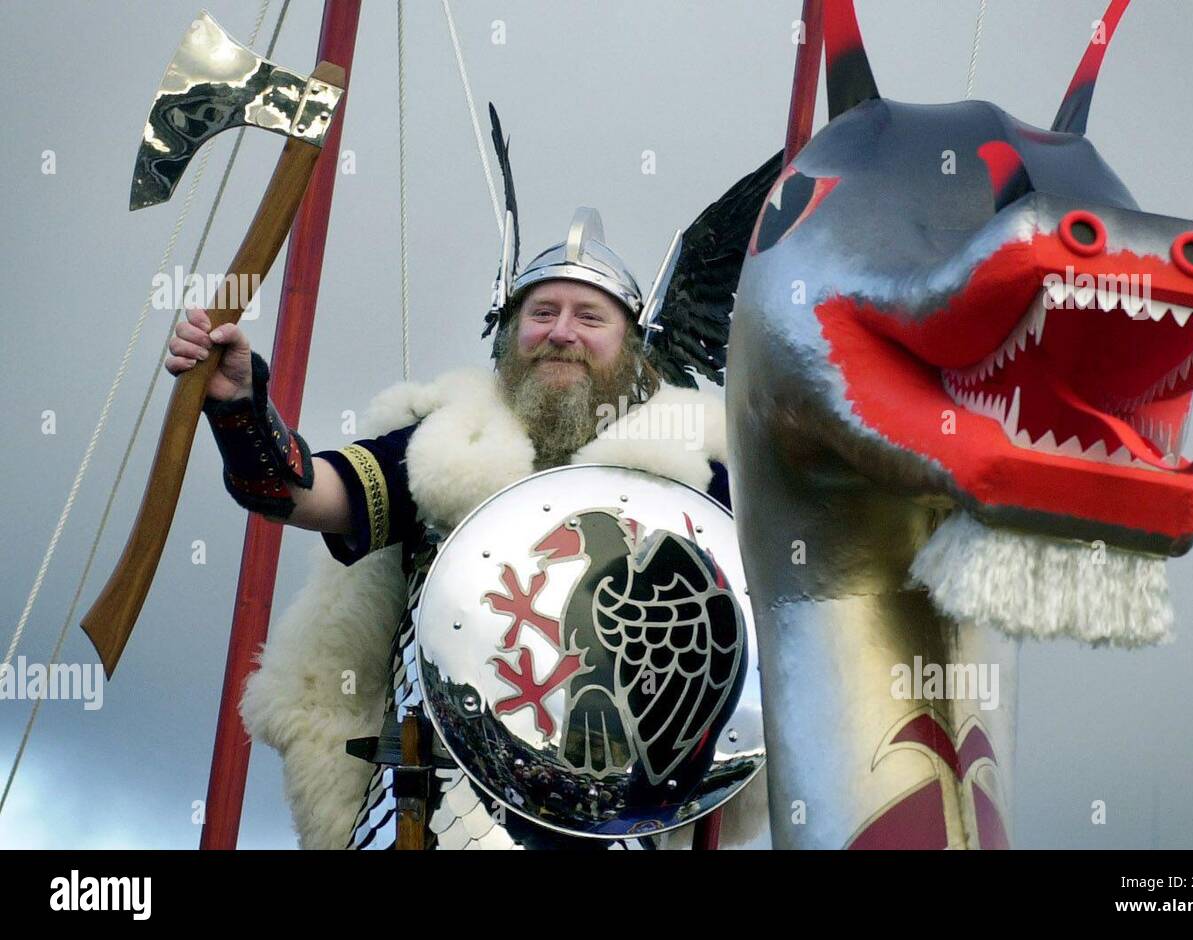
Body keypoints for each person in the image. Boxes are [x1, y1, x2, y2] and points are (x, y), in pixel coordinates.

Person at [168, 208, 762, 849]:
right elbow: (297, 490)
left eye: (590, 317)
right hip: (429, 814)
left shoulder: (694, 476)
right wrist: (238, 408)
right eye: (541, 313)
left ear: (632, 343)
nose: (561, 332)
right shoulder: (445, 443)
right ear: (509, 333)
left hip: (612, 823)